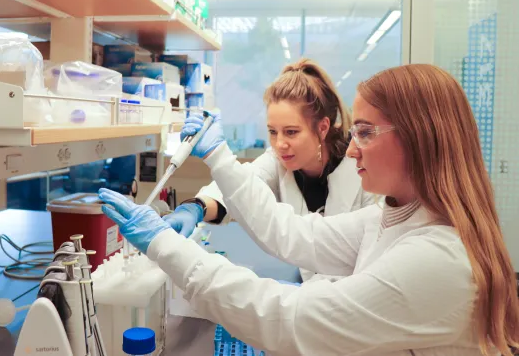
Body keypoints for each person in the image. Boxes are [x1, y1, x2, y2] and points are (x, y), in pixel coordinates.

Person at [99, 64, 519, 355]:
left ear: (420, 139)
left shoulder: (436, 258)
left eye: (367, 133)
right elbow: (293, 233)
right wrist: (204, 188)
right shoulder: (396, 216)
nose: (354, 148)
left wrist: (163, 245)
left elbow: (290, 319)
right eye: (355, 132)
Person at [162, 59, 374, 282]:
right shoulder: (278, 160)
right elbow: (240, 186)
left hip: (356, 294)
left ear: (322, 127)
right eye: (273, 132)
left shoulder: (362, 165)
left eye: (291, 132)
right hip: (312, 291)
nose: (280, 144)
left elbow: (373, 252)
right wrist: (196, 207)